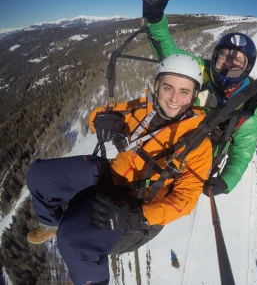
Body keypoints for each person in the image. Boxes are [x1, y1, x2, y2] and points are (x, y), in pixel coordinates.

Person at [26, 54, 212, 285]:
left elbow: (185, 200)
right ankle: (50, 224)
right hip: (112, 175)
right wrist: (103, 119)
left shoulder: (198, 143)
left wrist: (140, 216)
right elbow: (103, 114)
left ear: (194, 96)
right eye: (168, 88)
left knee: (72, 239)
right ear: (157, 86)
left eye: (184, 91)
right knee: (39, 176)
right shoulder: (144, 109)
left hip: (135, 205)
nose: (174, 99)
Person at [137, 0, 257, 197]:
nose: (230, 62)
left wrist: (226, 181)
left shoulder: (247, 103)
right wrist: (156, 19)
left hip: (197, 163)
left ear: (247, 67)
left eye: (238, 59)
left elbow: (242, 152)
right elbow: (170, 54)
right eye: (225, 55)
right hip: (168, 140)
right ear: (215, 57)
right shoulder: (200, 69)